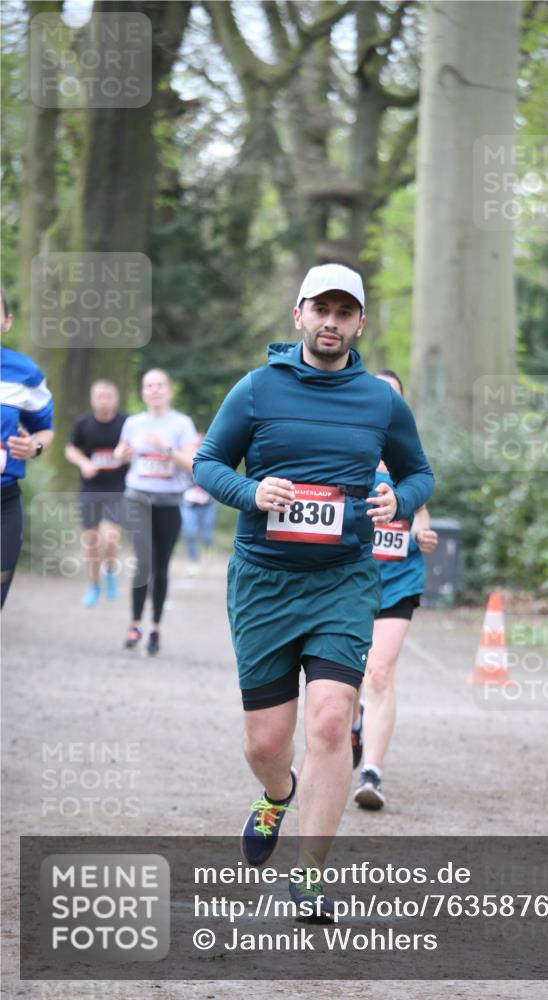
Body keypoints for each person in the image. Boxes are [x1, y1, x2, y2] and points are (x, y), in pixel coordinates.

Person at [193, 263, 434, 918]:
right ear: (298, 314)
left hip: (343, 579)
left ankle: (309, 874)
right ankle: (278, 794)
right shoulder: (256, 389)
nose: (331, 322)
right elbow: (208, 463)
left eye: (343, 312)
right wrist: (251, 491)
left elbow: (419, 474)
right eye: (320, 309)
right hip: (264, 583)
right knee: (266, 743)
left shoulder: (381, 402)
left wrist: (398, 499)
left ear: (360, 323)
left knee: (330, 720)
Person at [352, 370, 439, 811]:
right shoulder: (346, 447)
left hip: (398, 580)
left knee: (380, 672)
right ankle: (352, 724)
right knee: (348, 677)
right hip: (348, 579)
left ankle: (371, 772)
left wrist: (422, 532)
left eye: (394, 396)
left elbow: (420, 508)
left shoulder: (407, 452)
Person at [114, 369, 198, 655]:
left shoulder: (182, 424)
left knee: (161, 567)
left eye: (160, 385)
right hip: (137, 498)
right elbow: (120, 454)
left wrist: (167, 449)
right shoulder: (133, 423)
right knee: (144, 560)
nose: (154, 390)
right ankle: (135, 623)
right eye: (149, 386)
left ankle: (155, 628)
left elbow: (192, 464)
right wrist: (120, 455)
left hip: (169, 503)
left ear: (169, 390)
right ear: (143, 392)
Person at [0, 290, 54, 608]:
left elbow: (45, 431)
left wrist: (33, 446)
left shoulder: (25, 373)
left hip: (4, 502)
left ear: (7, 321)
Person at [65, 381, 128, 607]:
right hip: (90, 489)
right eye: (100, 396)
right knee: (91, 542)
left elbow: (137, 448)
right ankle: (94, 585)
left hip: (117, 489)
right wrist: (84, 463)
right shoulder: (84, 423)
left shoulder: (126, 423)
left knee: (110, 538)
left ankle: (109, 572)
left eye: (108, 396)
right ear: (93, 399)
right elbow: (70, 448)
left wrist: (125, 455)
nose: (104, 400)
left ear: (116, 399)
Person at [180, 435, 218, 575]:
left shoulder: (211, 461)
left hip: (207, 505)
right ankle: (194, 561)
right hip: (189, 504)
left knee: (207, 533)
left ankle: (208, 548)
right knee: (189, 532)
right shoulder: (183, 461)